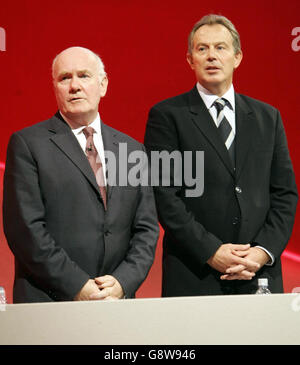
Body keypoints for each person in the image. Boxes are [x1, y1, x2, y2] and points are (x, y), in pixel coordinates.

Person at [144, 14, 298, 296]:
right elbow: (164, 196)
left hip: (258, 273)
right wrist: (211, 250)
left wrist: (262, 252)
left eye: (220, 47)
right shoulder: (167, 116)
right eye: (202, 49)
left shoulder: (268, 117)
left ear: (237, 57)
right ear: (190, 59)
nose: (211, 56)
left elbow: (284, 194)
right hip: (195, 273)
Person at [3, 46, 159, 303]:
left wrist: (123, 282)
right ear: (55, 87)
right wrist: (78, 285)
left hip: (116, 302)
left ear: (103, 84)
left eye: (84, 76)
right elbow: (25, 231)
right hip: (50, 303)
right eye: (65, 78)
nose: (74, 85)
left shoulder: (131, 149)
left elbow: (146, 229)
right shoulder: (28, 144)